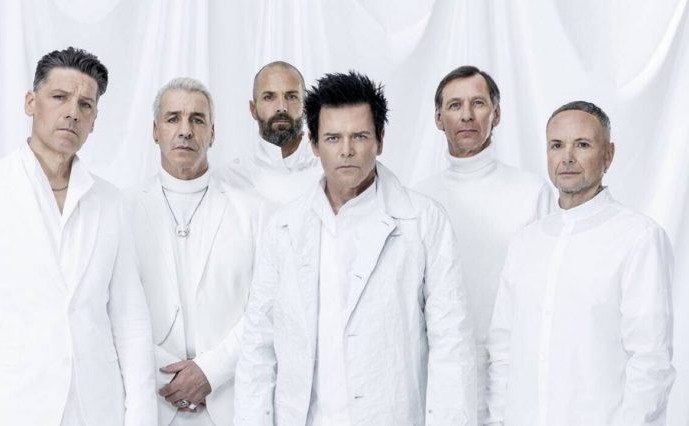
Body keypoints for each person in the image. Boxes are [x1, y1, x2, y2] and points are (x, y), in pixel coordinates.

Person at [0, 47, 156, 425]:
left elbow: (131, 322)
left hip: (95, 411)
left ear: (94, 120)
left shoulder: (111, 203)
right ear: (31, 102)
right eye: (59, 97)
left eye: (85, 105)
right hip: (9, 408)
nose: (72, 112)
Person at [235, 71, 476, 425]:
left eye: (359, 136)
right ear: (313, 143)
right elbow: (258, 347)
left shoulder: (424, 221)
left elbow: (451, 344)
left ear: (380, 140)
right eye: (333, 138)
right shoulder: (283, 228)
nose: (346, 150)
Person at [486, 101, 675, 425]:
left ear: (608, 155)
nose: (567, 157)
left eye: (582, 144)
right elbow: (503, 350)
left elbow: (650, 361)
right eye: (557, 145)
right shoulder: (526, 243)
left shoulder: (638, 238)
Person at [413, 65, 554, 421]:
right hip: (439, 374)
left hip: (516, 370)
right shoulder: (418, 200)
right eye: (455, 105)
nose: (466, 115)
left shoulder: (531, 193)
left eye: (478, 103)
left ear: (497, 113)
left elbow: (547, 293)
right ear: (438, 118)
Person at [126, 77, 261, 426]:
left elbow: (266, 307)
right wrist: (167, 374)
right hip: (151, 402)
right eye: (173, 118)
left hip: (229, 403)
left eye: (197, 120)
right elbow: (115, 311)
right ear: (155, 130)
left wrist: (210, 370)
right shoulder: (122, 211)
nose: (185, 130)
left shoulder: (252, 212)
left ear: (212, 133)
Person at [217, 61, 321, 208]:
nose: (282, 108)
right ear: (253, 109)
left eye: (291, 96)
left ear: (305, 108)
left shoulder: (327, 172)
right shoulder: (229, 179)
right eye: (269, 97)